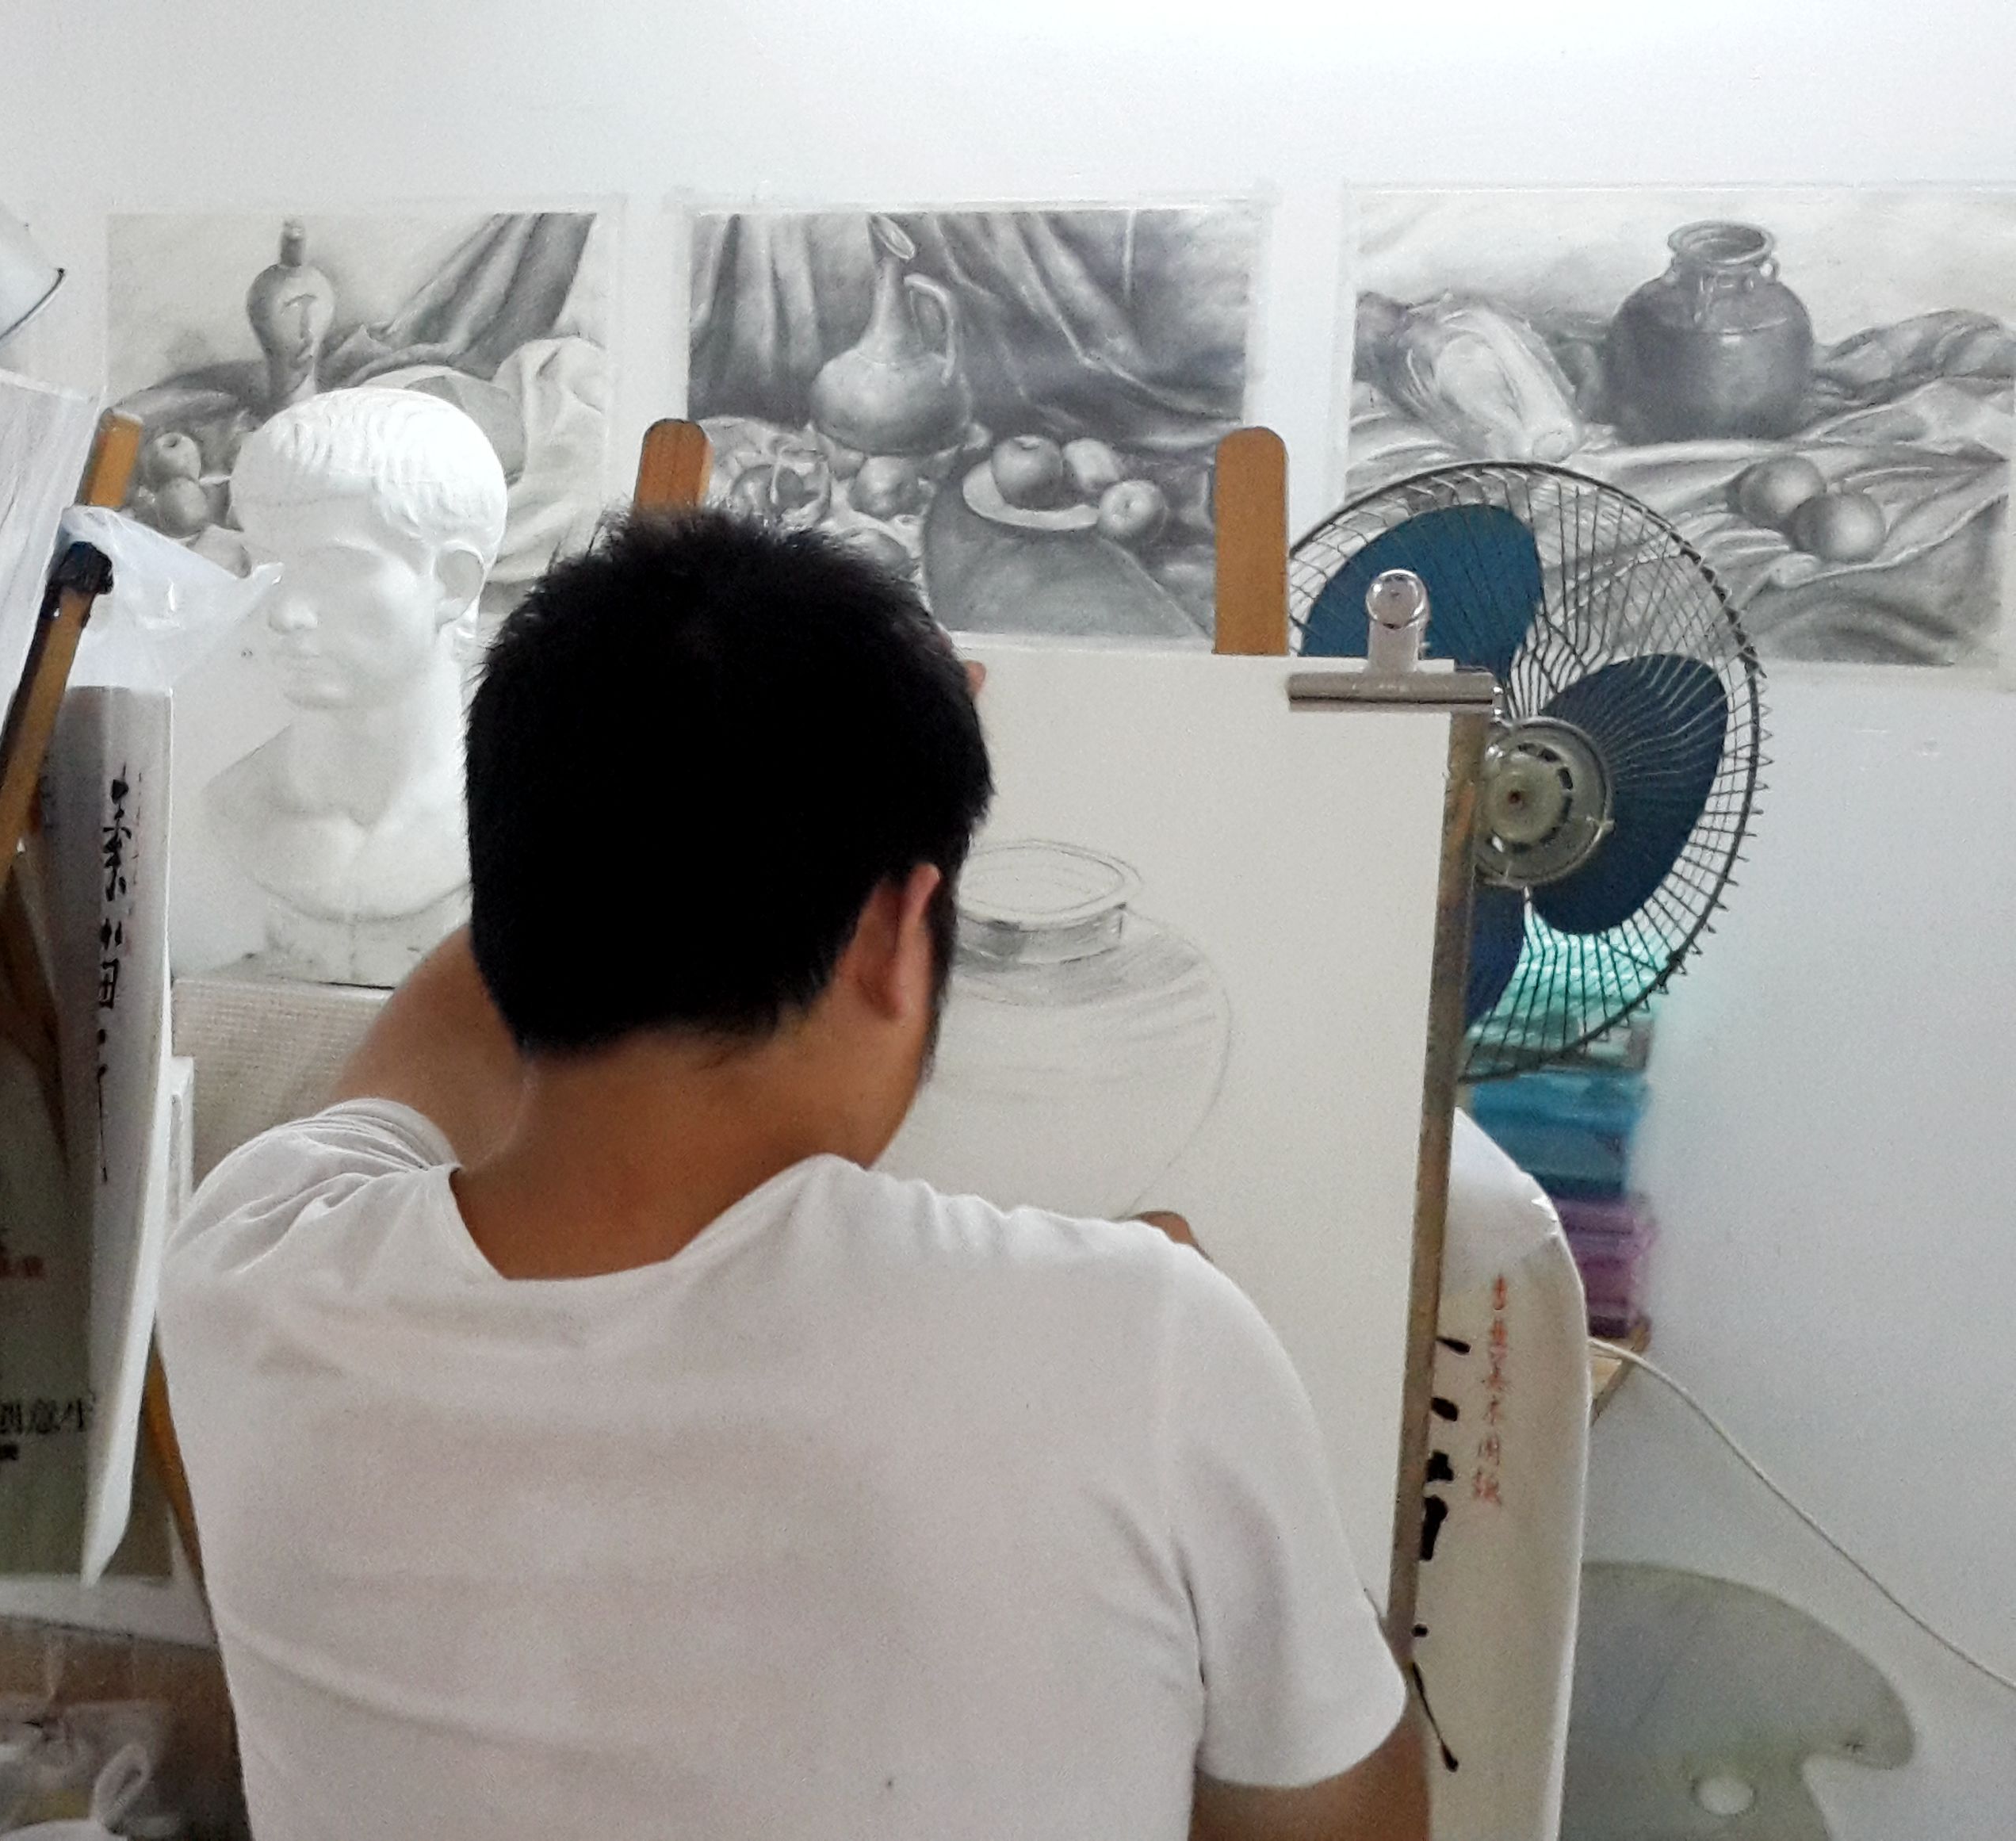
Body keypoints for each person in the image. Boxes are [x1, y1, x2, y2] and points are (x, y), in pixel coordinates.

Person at [158, 511, 1428, 1839]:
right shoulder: (1142, 1346)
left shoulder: (251, 1269)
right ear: (895, 932)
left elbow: (438, 1036)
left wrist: (689, 792)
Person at [201, 387, 505, 986]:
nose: (284, 613)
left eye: (335, 567)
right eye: (263, 565)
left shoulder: (524, 828)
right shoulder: (228, 810)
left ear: (453, 583)